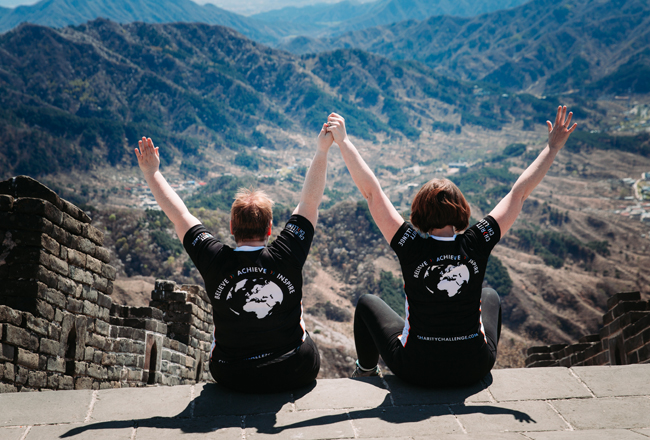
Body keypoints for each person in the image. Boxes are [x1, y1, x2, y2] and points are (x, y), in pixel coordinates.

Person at [326, 106, 576, 387]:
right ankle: (468, 346)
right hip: (474, 366)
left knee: (367, 303)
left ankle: (366, 371)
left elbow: (372, 193)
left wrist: (344, 142)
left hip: (416, 368)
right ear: (461, 211)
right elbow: (519, 194)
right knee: (490, 294)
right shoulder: (476, 241)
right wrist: (552, 148)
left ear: (418, 213)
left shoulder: (410, 245)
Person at [135, 123, 334, 393]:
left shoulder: (214, 258)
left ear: (231, 228)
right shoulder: (287, 251)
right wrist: (322, 151)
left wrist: (152, 172)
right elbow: (309, 203)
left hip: (232, 374)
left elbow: (180, 215)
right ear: (269, 229)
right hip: (294, 369)